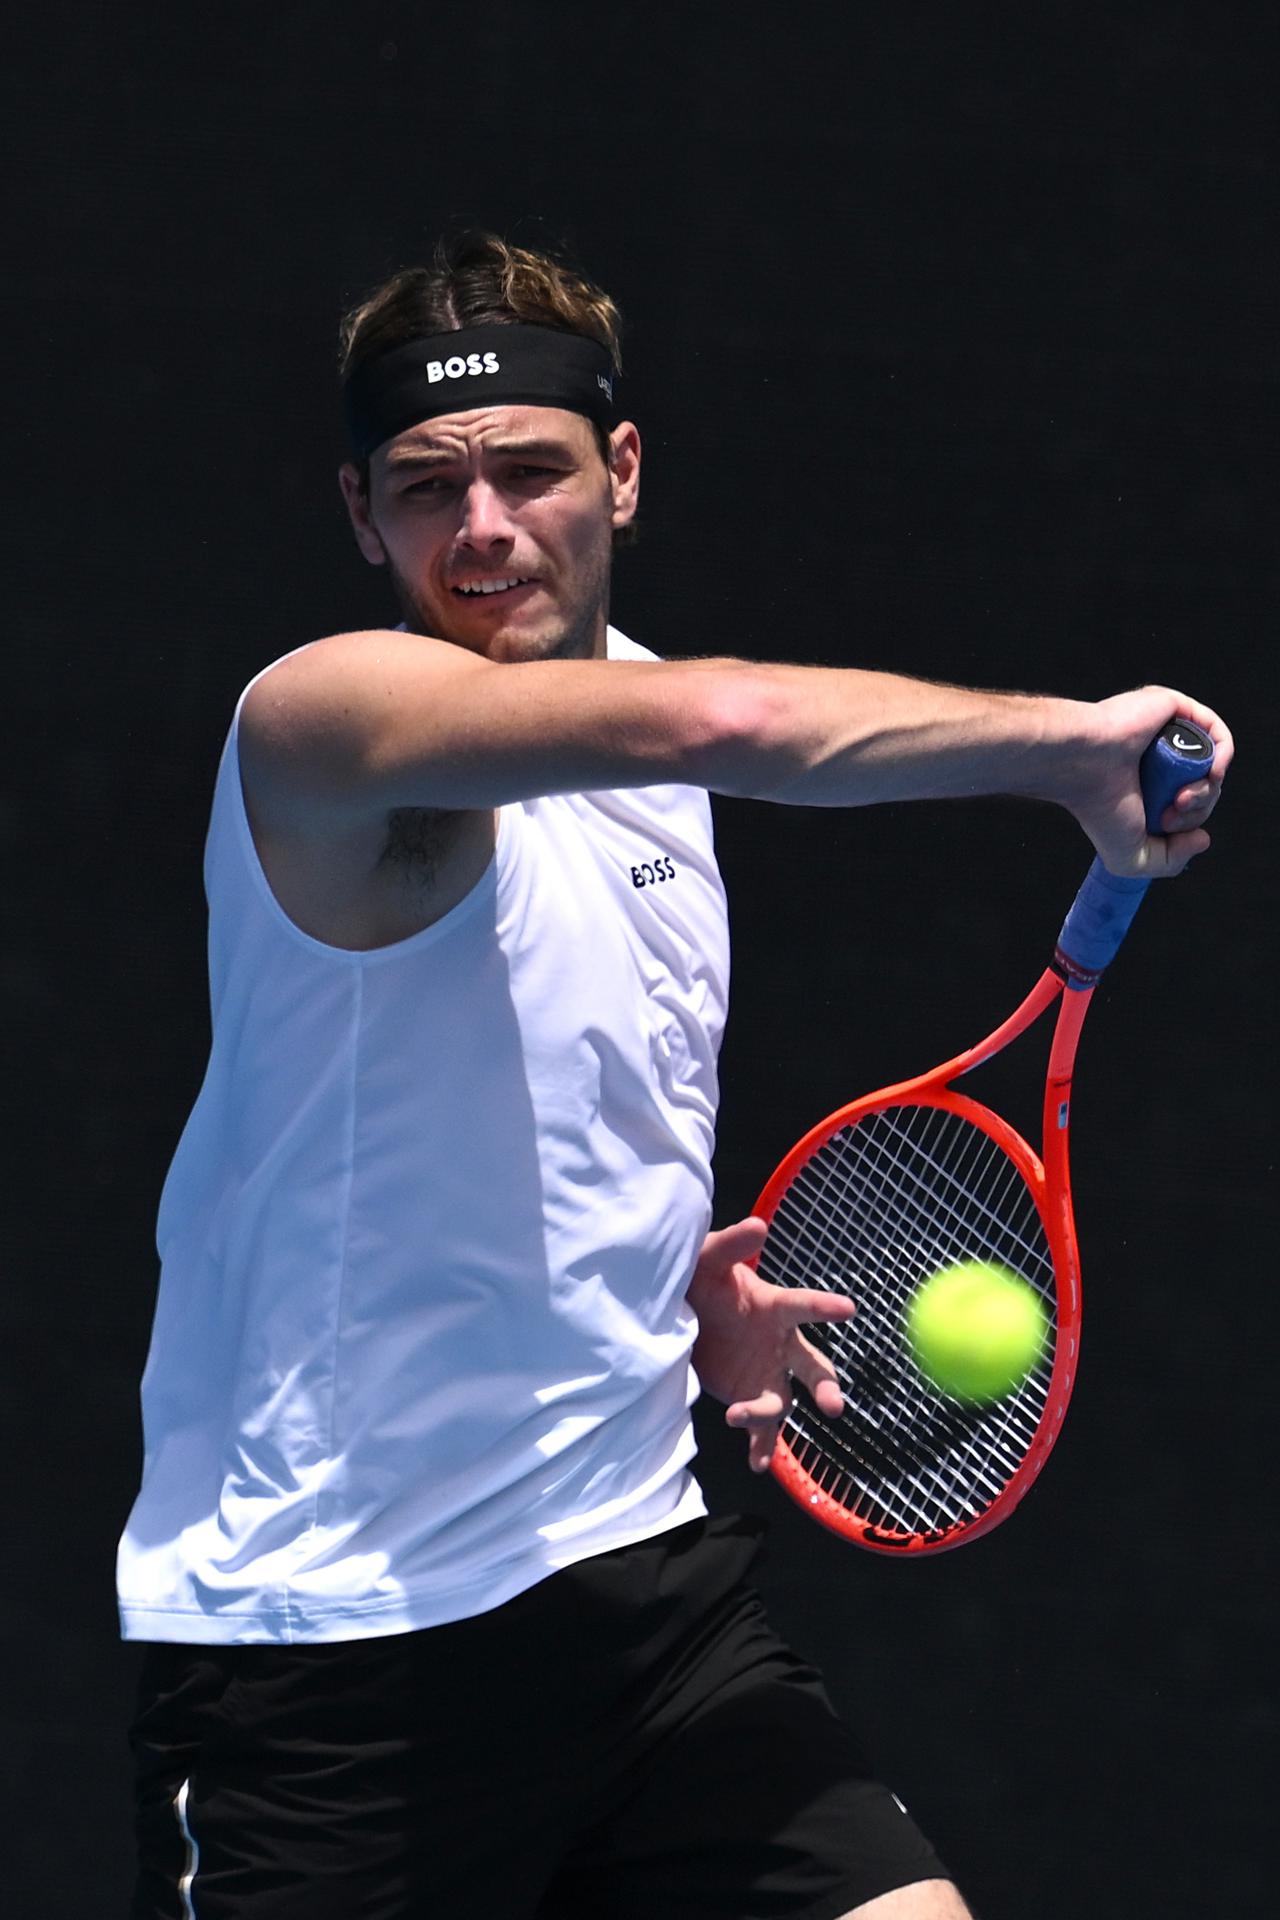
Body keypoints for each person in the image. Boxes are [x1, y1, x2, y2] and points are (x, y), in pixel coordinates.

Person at [120, 232, 1230, 1920]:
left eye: (530, 471)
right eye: (428, 488)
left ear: (620, 474)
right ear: (363, 517)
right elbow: (726, 726)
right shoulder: (324, 729)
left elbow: (549, 1085)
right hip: (335, 1666)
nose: (483, 529)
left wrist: (654, 1299)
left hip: (647, 1609)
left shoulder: (644, 730)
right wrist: (1065, 746)